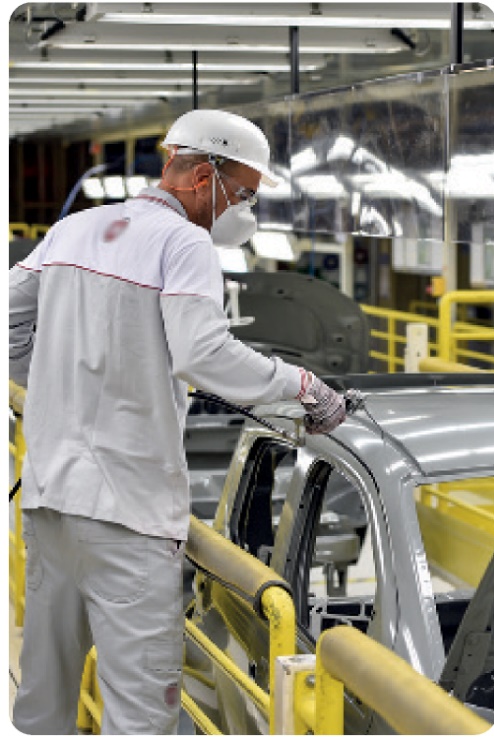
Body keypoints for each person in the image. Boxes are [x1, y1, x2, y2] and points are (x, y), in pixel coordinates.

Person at [9, 109, 348, 735]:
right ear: (202, 177)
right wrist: (301, 386)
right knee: (140, 714)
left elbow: (8, 327)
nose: (244, 209)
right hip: (127, 518)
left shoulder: (73, 229)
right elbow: (204, 353)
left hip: (50, 503)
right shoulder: (183, 242)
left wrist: (63, 385)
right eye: (243, 193)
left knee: (42, 701)